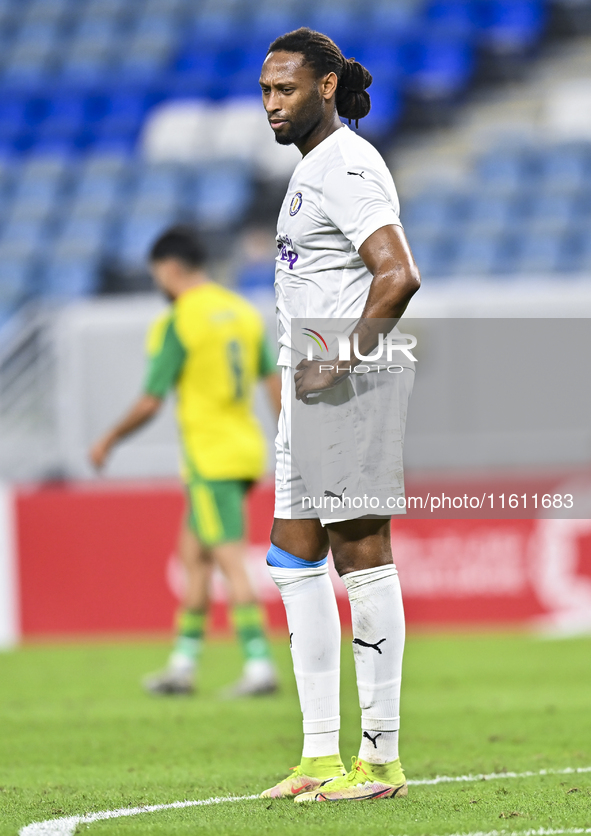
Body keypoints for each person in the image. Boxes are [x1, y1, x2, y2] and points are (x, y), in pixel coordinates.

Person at [258, 29, 421, 801]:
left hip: (345, 381)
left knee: (360, 553)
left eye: (285, 90)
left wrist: (337, 362)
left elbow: (397, 276)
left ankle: (380, 760)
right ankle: (319, 754)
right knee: (292, 555)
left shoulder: (348, 165)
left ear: (324, 87)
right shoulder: (310, 171)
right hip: (309, 382)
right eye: (264, 91)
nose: (271, 105)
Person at [89, 225, 281, 698]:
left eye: (157, 275)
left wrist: (110, 438)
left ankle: (260, 665)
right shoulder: (240, 311)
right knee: (193, 557)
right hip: (243, 450)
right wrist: (290, 438)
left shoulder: (179, 321)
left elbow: (152, 400)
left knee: (229, 558)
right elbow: (271, 382)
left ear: (170, 269)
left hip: (208, 457)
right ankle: (183, 665)